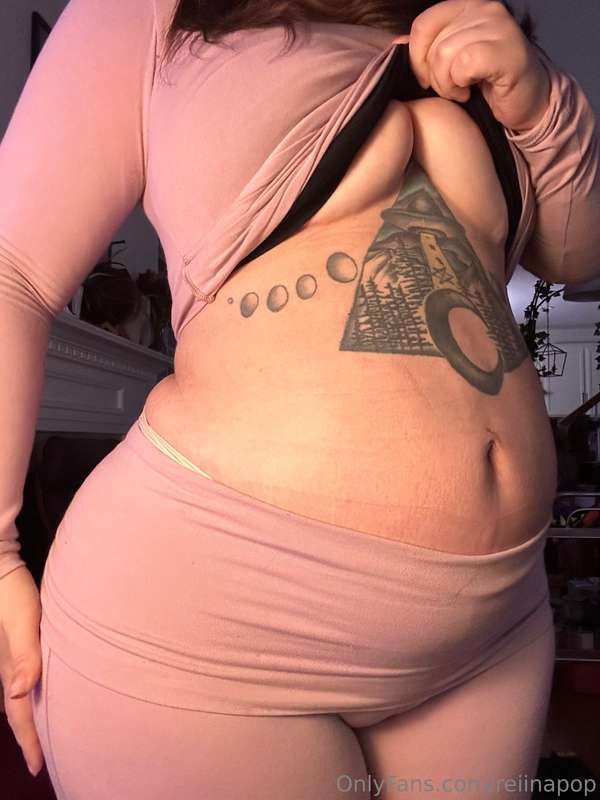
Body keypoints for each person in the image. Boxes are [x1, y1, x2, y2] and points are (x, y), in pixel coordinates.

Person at [0, 0, 599, 796]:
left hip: (492, 630)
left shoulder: (465, 16)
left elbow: (575, 252)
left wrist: (542, 103)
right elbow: (13, 270)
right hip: (215, 618)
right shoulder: (152, 10)